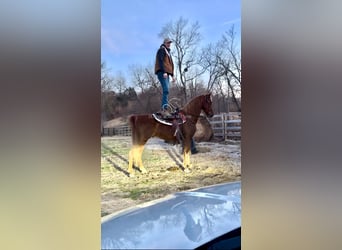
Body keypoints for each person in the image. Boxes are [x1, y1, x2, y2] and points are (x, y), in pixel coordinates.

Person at [154, 38, 176, 117]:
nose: (169, 44)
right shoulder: (162, 50)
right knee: (166, 90)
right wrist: (164, 72)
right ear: (164, 43)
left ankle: (165, 108)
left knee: (167, 91)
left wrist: (172, 75)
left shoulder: (168, 53)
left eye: (170, 43)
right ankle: (164, 109)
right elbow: (160, 61)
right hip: (162, 73)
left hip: (166, 74)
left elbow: (169, 65)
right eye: (168, 43)